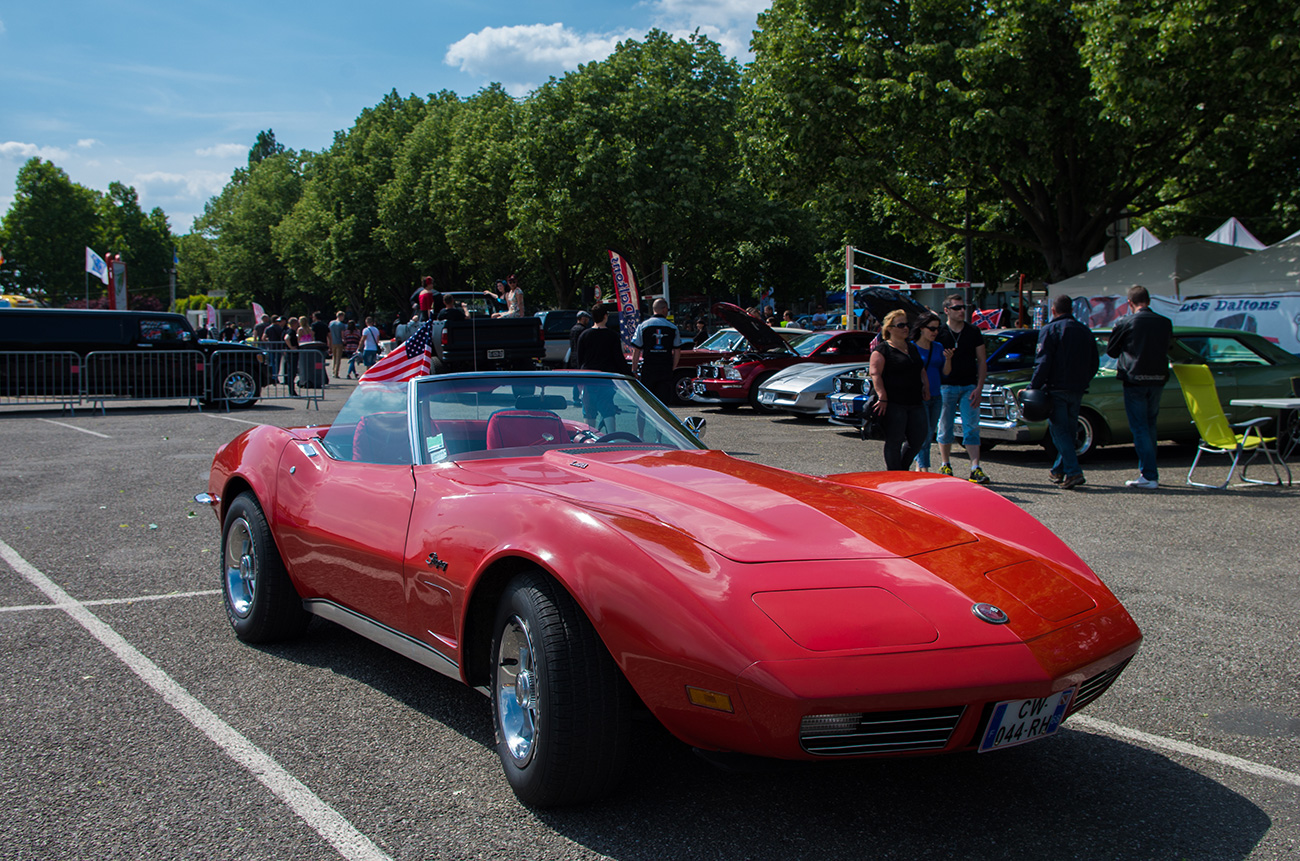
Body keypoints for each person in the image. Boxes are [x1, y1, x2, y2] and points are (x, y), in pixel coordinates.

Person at [1107, 284, 1173, 489]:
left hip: (1135, 378)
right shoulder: (1164, 322)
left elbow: (1111, 350)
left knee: (1139, 427)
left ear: (1130, 303)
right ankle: (1149, 471)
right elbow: (1169, 346)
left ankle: (1149, 474)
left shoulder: (1126, 322)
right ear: (1149, 301)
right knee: (1150, 425)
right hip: (1158, 378)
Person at [1031, 294, 1100, 489]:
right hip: (1077, 388)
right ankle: (1058, 469)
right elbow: (1094, 361)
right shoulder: (1085, 331)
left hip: (1056, 388)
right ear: (1072, 309)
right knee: (1068, 431)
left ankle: (1073, 471)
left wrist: (1033, 388)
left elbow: (1043, 362)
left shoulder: (1050, 330)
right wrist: (1084, 380)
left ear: (1053, 310)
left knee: (1059, 431)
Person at [935, 294, 990, 483]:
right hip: (946, 385)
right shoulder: (940, 333)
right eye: (957, 308)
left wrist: (979, 387)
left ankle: (975, 467)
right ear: (947, 310)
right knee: (944, 426)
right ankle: (945, 464)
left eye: (963, 307)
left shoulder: (973, 331)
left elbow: (982, 361)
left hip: (969, 385)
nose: (962, 311)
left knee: (972, 427)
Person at [869, 309, 930, 471]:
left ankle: (901, 470)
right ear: (889, 329)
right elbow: (875, 374)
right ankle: (894, 473)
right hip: (894, 402)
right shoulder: (882, 350)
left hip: (915, 400)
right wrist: (882, 396)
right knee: (894, 440)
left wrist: (926, 386)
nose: (905, 328)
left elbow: (920, 369)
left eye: (907, 325)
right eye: (901, 325)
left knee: (918, 439)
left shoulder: (912, 348)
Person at [576, 304, 631, 432]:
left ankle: (589, 436)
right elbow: (619, 359)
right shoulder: (612, 336)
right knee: (607, 407)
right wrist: (629, 374)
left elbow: (579, 359)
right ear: (605, 316)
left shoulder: (584, 335)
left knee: (589, 409)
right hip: (607, 377)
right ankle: (612, 436)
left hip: (588, 377)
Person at [911, 312, 950, 471]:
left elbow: (945, 373)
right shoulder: (912, 347)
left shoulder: (938, 347)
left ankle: (918, 469)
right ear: (921, 328)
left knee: (929, 434)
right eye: (931, 329)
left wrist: (948, 359)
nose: (935, 332)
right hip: (919, 397)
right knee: (924, 435)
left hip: (936, 395)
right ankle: (925, 470)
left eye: (937, 329)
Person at [629, 297, 681, 404]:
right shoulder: (672, 328)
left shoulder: (643, 326)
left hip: (649, 368)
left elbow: (636, 350)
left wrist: (634, 370)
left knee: (646, 402)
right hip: (665, 368)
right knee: (663, 403)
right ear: (664, 309)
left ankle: (643, 421)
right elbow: (677, 351)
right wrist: (673, 367)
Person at [282, 316, 301, 396]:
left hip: (290, 353)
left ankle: (292, 391)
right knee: (292, 372)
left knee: (292, 372)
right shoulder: (291, 331)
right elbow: (286, 338)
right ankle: (292, 391)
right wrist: (291, 347)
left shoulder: (288, 330)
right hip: (292, 354)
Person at [328, 311, 346, 378]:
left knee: (334, 357)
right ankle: (336, 373)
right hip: (339, 342)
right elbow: (342, 335)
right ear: (341, 316)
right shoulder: (341, 325)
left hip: (332, 342)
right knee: (338, 358)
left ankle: (333, 370)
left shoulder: (331, 323)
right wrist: (344, 341)